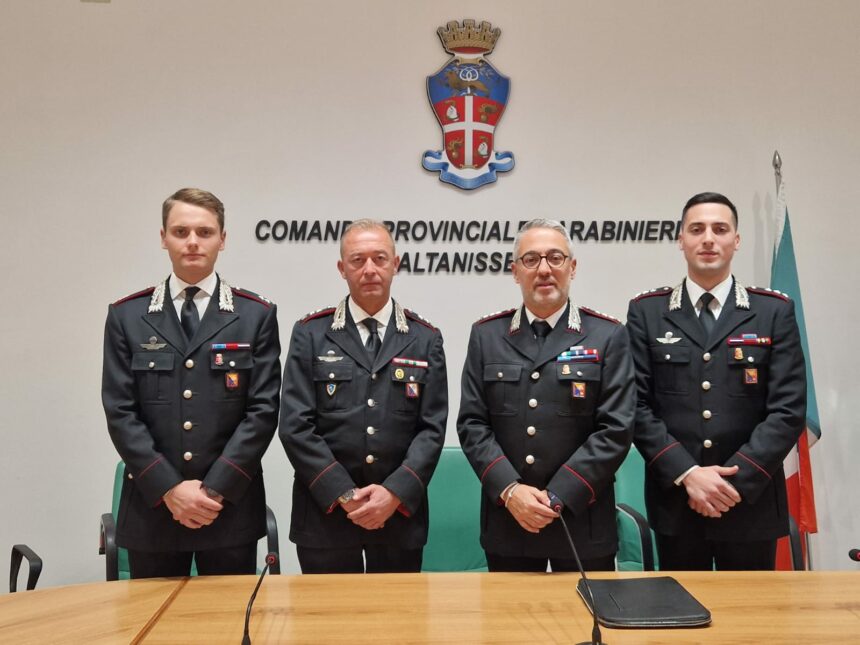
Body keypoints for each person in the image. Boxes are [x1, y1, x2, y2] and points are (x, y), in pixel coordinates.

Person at [102, 187, 281, 578]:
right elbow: (120, 411)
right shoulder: (127, 316)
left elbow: (263, 411)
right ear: (163, 238)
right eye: (181, 232)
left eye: (205, 232)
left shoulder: (256, 315)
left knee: (230, 616)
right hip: (153, 510)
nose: (193, 242)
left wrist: (214, 489)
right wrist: (169, 488)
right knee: (152, 616)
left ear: (223, 239)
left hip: (228, 509)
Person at [626, 192, 806, 570]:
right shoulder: (648, 312)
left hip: (750, 504)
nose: (708, 238)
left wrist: (732, 483)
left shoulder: (773, 311)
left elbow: (788, 410)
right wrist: (688, 473)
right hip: (678, 502)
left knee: (751, 608)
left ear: (736, 241)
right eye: (697, 229)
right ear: (681, 240)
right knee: (679, 605)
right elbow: (636, 406)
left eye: (720, 229)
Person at [457, 219, 634, 572]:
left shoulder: (608, 335)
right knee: (509, 610)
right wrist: (510, 491)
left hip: (583, 520)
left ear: (572, 267)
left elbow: (616, 428)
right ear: (515, 271)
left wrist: (559, 495)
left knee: (588, 609)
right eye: (531, 259)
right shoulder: (487, 336)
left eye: (555, 258)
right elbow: (473, 424)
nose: (544, 269)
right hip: (509, 521)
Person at [280, 219, 447, 573]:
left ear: (395, 264)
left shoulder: (424, 338)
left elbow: (431, 429)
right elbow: (296, 425)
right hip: (325, 517)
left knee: (397, 610)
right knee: (326, 611)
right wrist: (343, 493)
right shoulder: (311, 333)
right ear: (342, 268)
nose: (369, 269)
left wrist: (395, 493)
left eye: (379, 258)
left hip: (398, 518)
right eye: (357, 260)